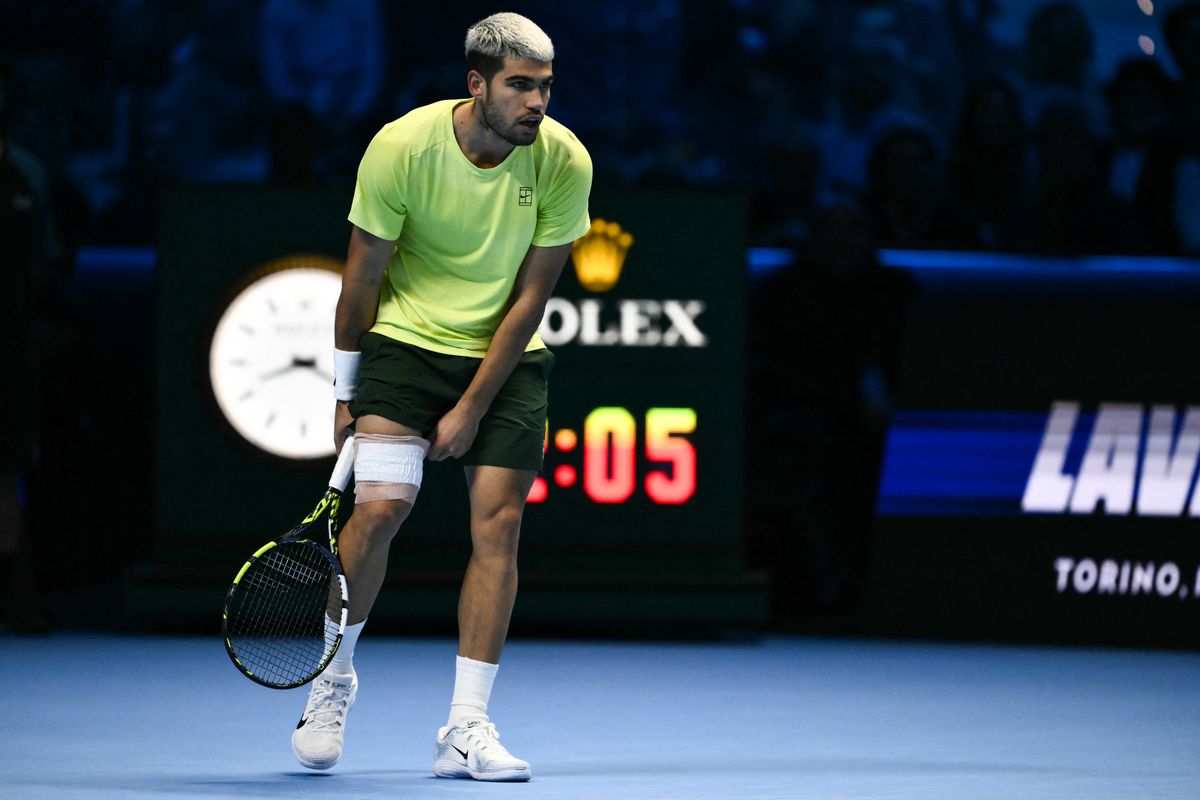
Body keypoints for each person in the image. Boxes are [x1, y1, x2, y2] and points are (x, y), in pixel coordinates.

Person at [289, 13, 591, 782]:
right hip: (406, 343)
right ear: (477, 84)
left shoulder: (563, 161)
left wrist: (472, 407)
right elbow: (359, 280)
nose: (536, 103)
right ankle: (332, 681)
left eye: (545, 87)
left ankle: (465, 727)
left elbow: (530, 300)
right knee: (382, 507)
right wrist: (343, 392)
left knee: (500, 523)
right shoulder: (402, 148)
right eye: (520, 86)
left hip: (506, 358)